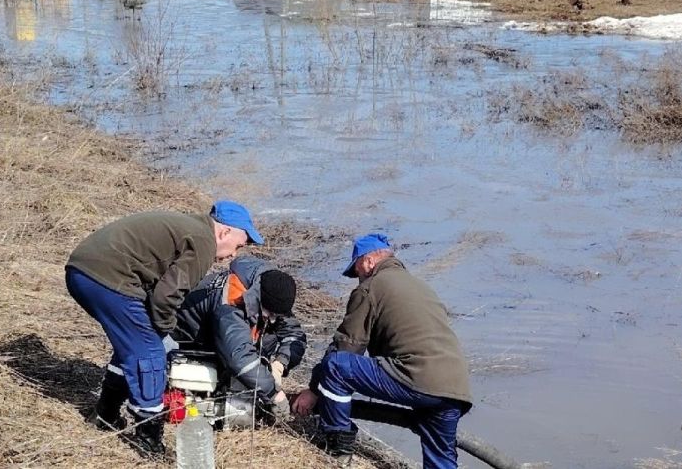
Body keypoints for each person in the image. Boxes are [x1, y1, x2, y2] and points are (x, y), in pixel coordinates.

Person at [65, 200, 263, 455]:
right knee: (151, 353)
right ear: (224, 232)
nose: (233, 255)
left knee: (132, 346)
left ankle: (105, 415)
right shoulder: (204, 242)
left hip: (85, 270)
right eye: (238, 246)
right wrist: (166, 332)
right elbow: (166, 297)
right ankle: (148, 436)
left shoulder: (191, 227)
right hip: (105, 277)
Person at [291, 233, 473, 469]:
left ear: (367, 261)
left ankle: (337, 448)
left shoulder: (371, 287)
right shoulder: (420, 287)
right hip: (455, 389)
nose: (357, 278)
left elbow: (347, 346)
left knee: (335, 365)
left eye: (356, 270)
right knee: (442, 460)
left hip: (416, 376)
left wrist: (314, 391)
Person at [173, 256, 306, 420]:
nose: (272, 319)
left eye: (276, 315)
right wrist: (273, 394)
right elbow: (239, 357)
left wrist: (280, 363)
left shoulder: (272, 290)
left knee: (269, 338)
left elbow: (294, 335)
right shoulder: (231, 301)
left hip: (228, 339)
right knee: (228, 373)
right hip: (196, 341)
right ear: (259, 298)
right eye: (269, 313)